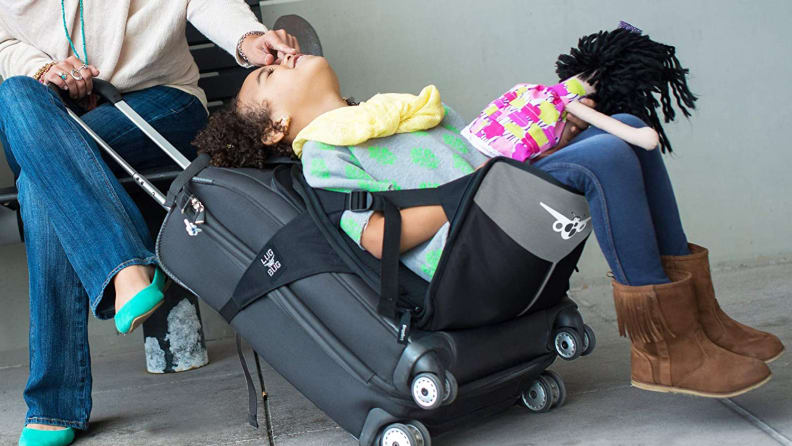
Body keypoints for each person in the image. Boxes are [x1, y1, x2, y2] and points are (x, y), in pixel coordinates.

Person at [194, 53, 785, 401]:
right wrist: (465, 195)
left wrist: (540, 136)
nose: (281, 60)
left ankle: (701, 320)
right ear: (276, 130)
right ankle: (664, 350)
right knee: (606, 159)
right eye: (266, 77)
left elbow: (474, 151)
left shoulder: (393, 111)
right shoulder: (323, 154)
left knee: (622, 125)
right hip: (464, 255)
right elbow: (375, 236)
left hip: (493, 208)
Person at [0, 1, 299, 444]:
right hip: (49, 110)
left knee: (40, 180)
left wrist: (248, 39)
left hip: (159, 101)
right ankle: (125, 265)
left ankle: (54, 405)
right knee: (15, 98)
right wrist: (47, 71)